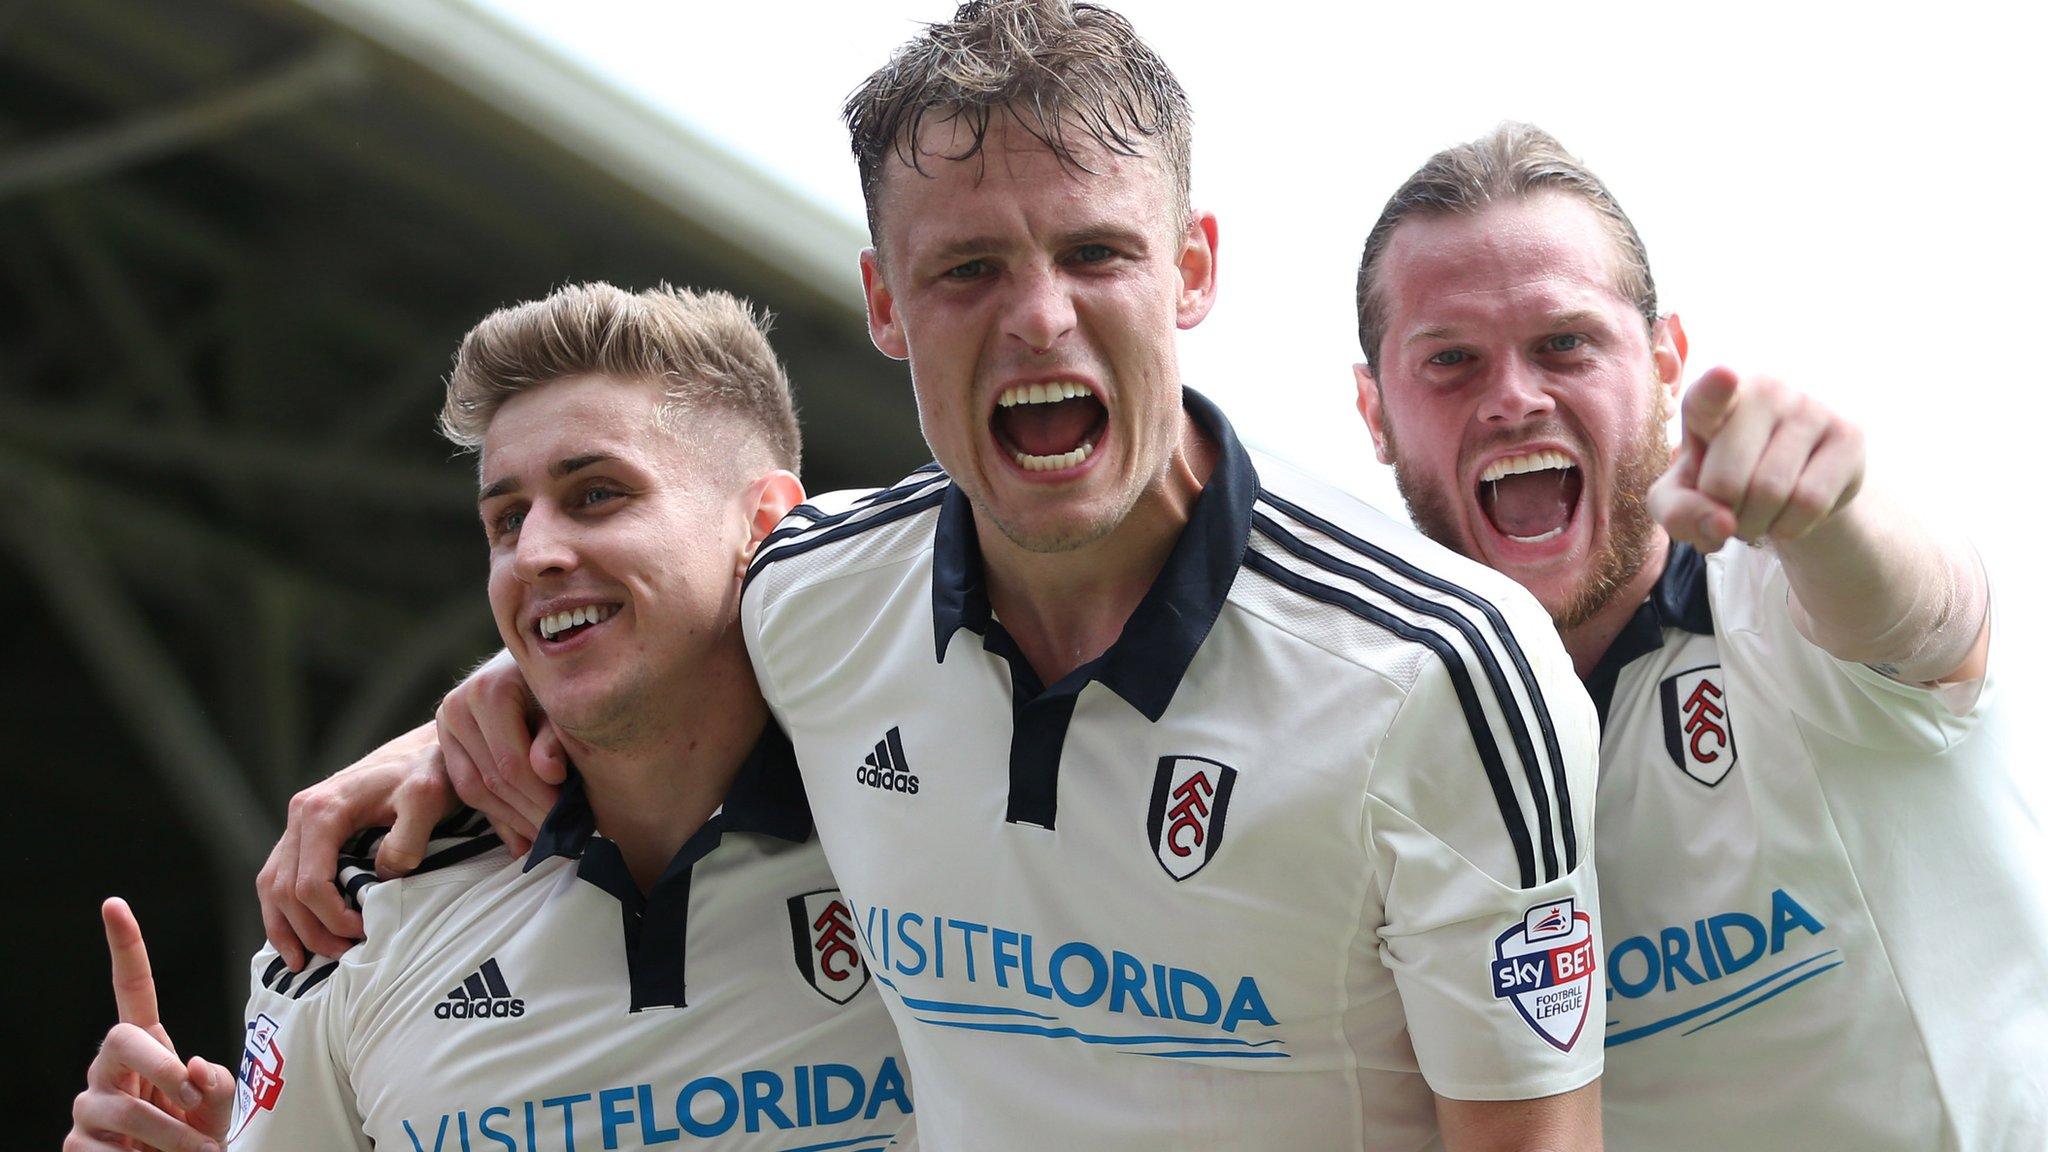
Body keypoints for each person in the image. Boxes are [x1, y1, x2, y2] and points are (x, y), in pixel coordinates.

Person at [254, 4, 1607, 1149]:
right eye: (968, 268)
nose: (1038, 314)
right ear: (886, 305)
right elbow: (642, 620)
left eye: (1095, 252)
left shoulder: (1445, 672)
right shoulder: (819, 597)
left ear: (1191, 270)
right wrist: (469, 721)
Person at [65, 283, 914, 1152]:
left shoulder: (936, 808)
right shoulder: (362, 907)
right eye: (507, 520)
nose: (536, 554)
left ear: (764, 521)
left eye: (596, 495)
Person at [1350, 122, 2048, 1148]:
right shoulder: (1376, 721)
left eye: (1564, 344)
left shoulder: (1784, 590)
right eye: (1449, 360)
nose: (1511, 398)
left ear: (1665, 361)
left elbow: (1925, 618)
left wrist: (1830, 512)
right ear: (1371, 414)